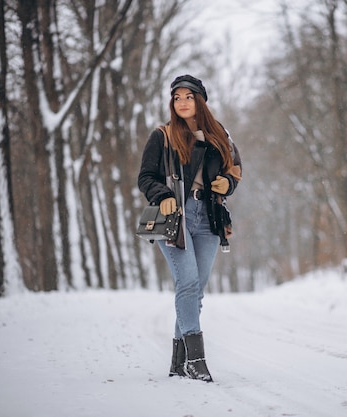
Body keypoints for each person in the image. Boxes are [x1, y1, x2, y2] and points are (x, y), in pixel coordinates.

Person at [137, 74, 242, 382]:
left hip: (208, 218)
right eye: (177, 97)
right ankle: (196, 361)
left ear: (201, 100)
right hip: (175, 219)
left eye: (188, 96)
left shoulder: (219, 134)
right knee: (188, 284)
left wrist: (229, 183)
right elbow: (145, 177)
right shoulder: (163, 136)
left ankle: (178, 361)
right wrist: (163, 194)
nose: (182, 102)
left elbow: (234, 167)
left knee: (196, 291)